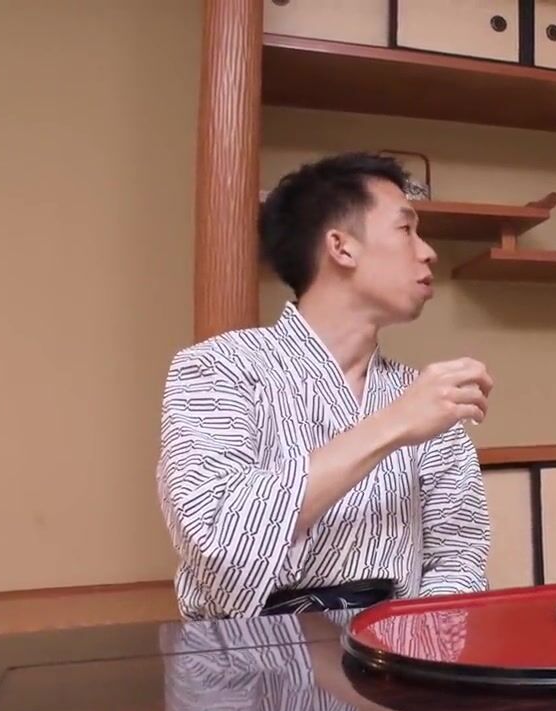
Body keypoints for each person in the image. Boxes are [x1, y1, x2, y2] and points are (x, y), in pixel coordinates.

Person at [157, 151, 493, 619]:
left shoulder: (427, 398)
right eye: (406, 229)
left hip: (393, 648)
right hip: (246, 653)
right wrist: (394, 423)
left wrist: (411, 646)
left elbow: (458, 560)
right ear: (341, 247)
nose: (427, 251)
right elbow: (218, 546)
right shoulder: (216, 368)